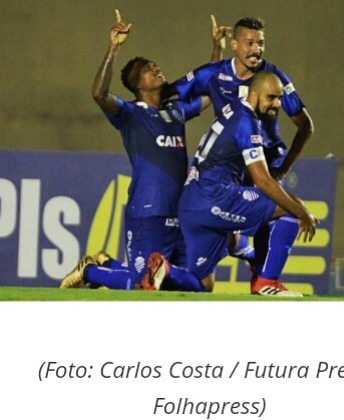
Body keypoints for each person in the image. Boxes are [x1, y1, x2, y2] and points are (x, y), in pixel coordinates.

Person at [161, 16, 314, 296]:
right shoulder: (217, 77)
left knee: (266, 219)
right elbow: (166, 93)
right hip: (230, 170)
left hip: (257, 164)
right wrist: (138, 114)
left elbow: (306, 125)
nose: (256, 49)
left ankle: (261, 278)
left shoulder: (273, 77)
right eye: (250, 43)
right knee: (277, 214)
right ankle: (263, 276)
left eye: (261, 43)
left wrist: (283, 169)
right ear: (234, 44)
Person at [59, 9, 210, 290]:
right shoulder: (129, 114)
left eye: (155, 65)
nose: (156, 68)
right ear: (137, 84)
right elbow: (99, 94)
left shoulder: (176, 110)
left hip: (181, 211)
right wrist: (113, 48)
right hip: (147, 211)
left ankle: (107, 264)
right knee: (143, 286)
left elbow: (210, 91)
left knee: (193, 288)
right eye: (147, 69)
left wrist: (217, 50)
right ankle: (91, 271)